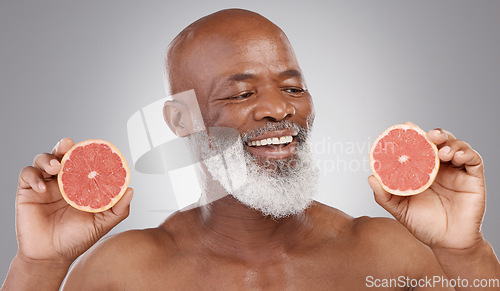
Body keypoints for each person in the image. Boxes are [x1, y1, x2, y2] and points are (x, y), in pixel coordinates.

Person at [3, 9, 499, 290]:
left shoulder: (392, 258)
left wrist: (465, 251)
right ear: (182, 120)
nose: (278, 110)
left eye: (292, 87)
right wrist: (40, 266)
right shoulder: (126, 273)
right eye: (241, 94)